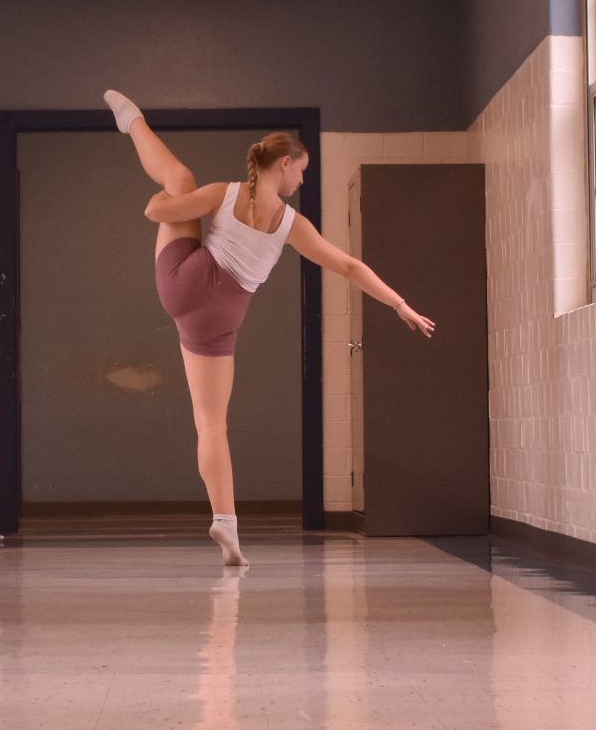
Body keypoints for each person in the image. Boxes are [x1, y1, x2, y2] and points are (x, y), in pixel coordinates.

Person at [102, 90, 437, 567]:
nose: (303, 177)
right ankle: (227, 523)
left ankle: (132, 120)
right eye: (300, 169)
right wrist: (398, 303)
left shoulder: (223, 194)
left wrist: (166, 195)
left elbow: (155, 212)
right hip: (222, 315)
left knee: (179, 177)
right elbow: (347, 266)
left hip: (185, 284)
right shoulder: (291, 225)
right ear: (283, 164)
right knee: (212, 424)